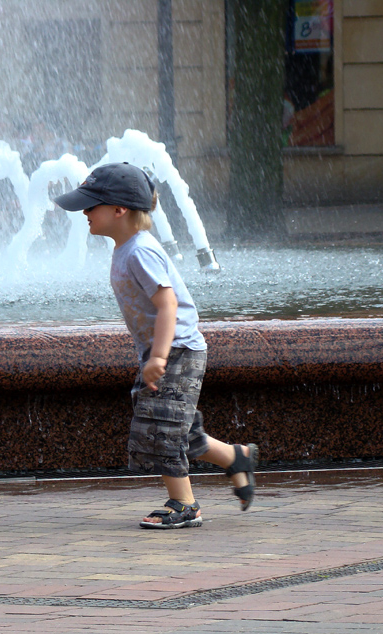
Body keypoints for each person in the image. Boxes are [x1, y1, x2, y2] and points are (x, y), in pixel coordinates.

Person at [54, 163, 258, 529]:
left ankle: (185, 504)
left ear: (119, 210)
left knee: (162, 428)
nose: (84, 212)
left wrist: (160, 356)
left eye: (91, 205)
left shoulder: (139, 252)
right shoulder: (126, 248)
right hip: (164, 351)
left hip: (177, 349)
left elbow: (168, 304)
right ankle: (235, 457)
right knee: (176, 426)